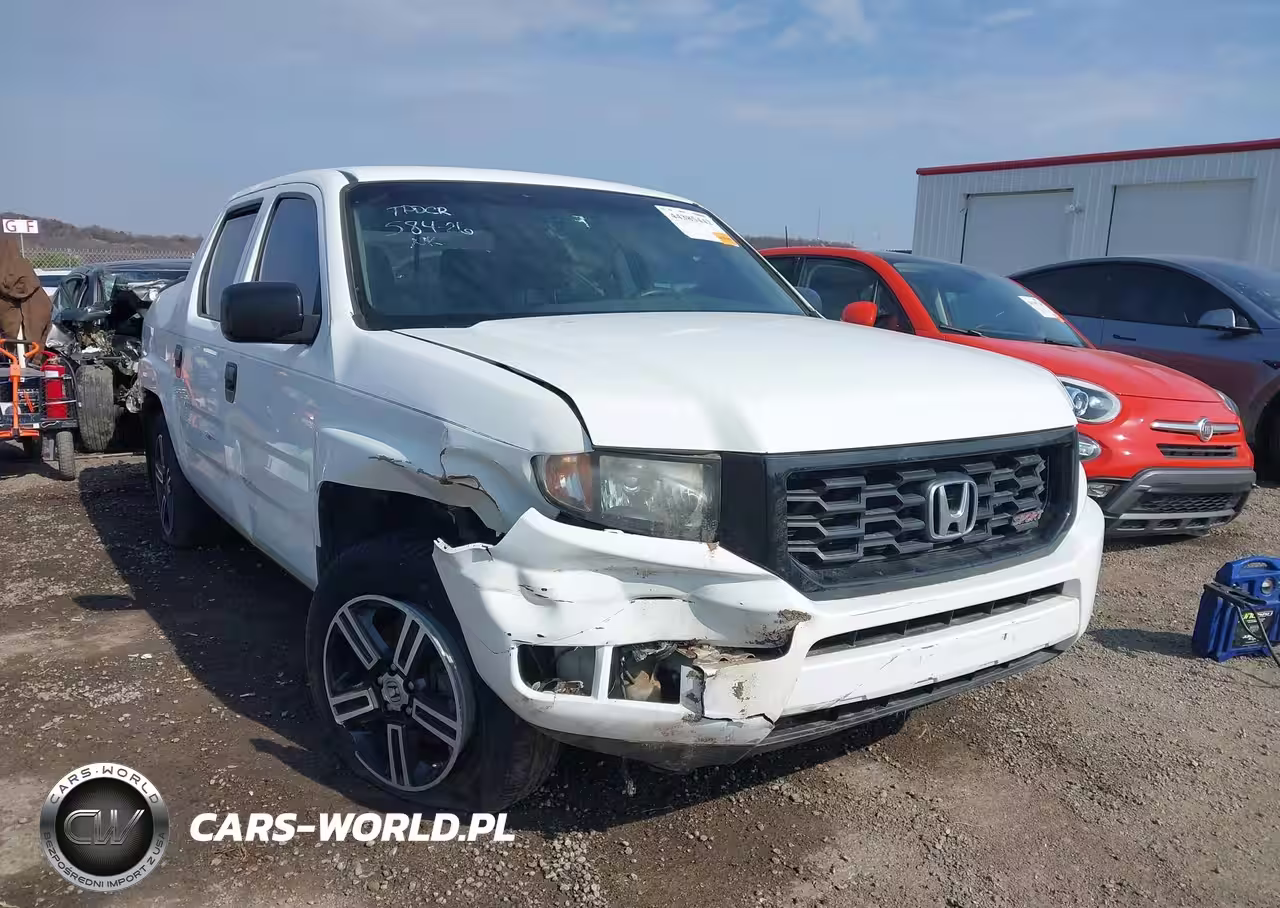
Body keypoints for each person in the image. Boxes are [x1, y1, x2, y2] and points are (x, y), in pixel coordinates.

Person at [0, 235, 53, 346]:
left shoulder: (17, 268)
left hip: (28, 322)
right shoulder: (21, 266)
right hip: (28, 325)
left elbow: (19, 288)